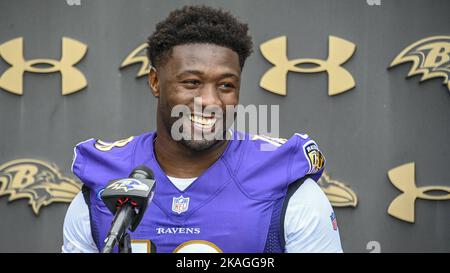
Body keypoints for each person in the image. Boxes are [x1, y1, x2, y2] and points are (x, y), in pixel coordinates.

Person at [62, 5, 342, 253]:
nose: (210, 101)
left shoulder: (288, 186)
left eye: (226, 85)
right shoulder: (107, 183)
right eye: (192, 82)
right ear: (155, 82)